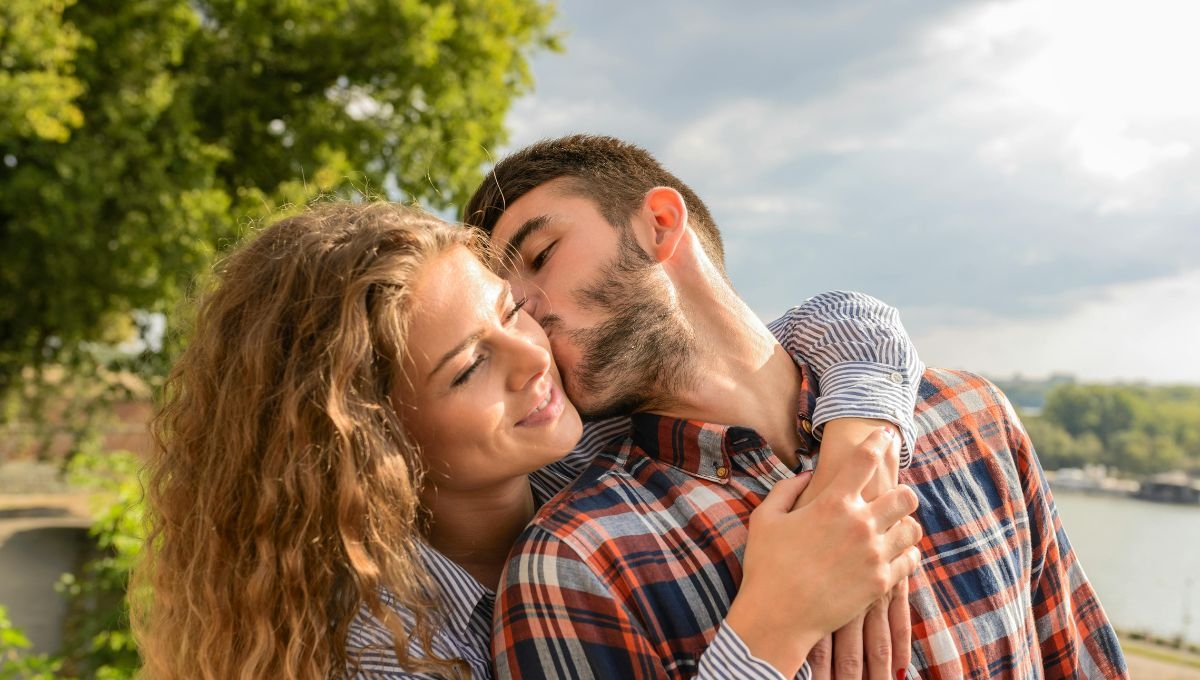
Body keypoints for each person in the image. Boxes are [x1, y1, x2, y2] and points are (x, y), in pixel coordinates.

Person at [131, 201, 926, 679]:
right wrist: (773, 626)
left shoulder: (581, 448)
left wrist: (860, 448)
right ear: (369, 441)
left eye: (510, 314)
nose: (535, 359)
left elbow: (837, 325)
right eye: (470, 366)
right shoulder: (375, 651)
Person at [463, 134, 1130, 679]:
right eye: (505, 303)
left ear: (660, 225)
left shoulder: (971, 419)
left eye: (541, 255)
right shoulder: (575, 564)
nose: (525, 313)